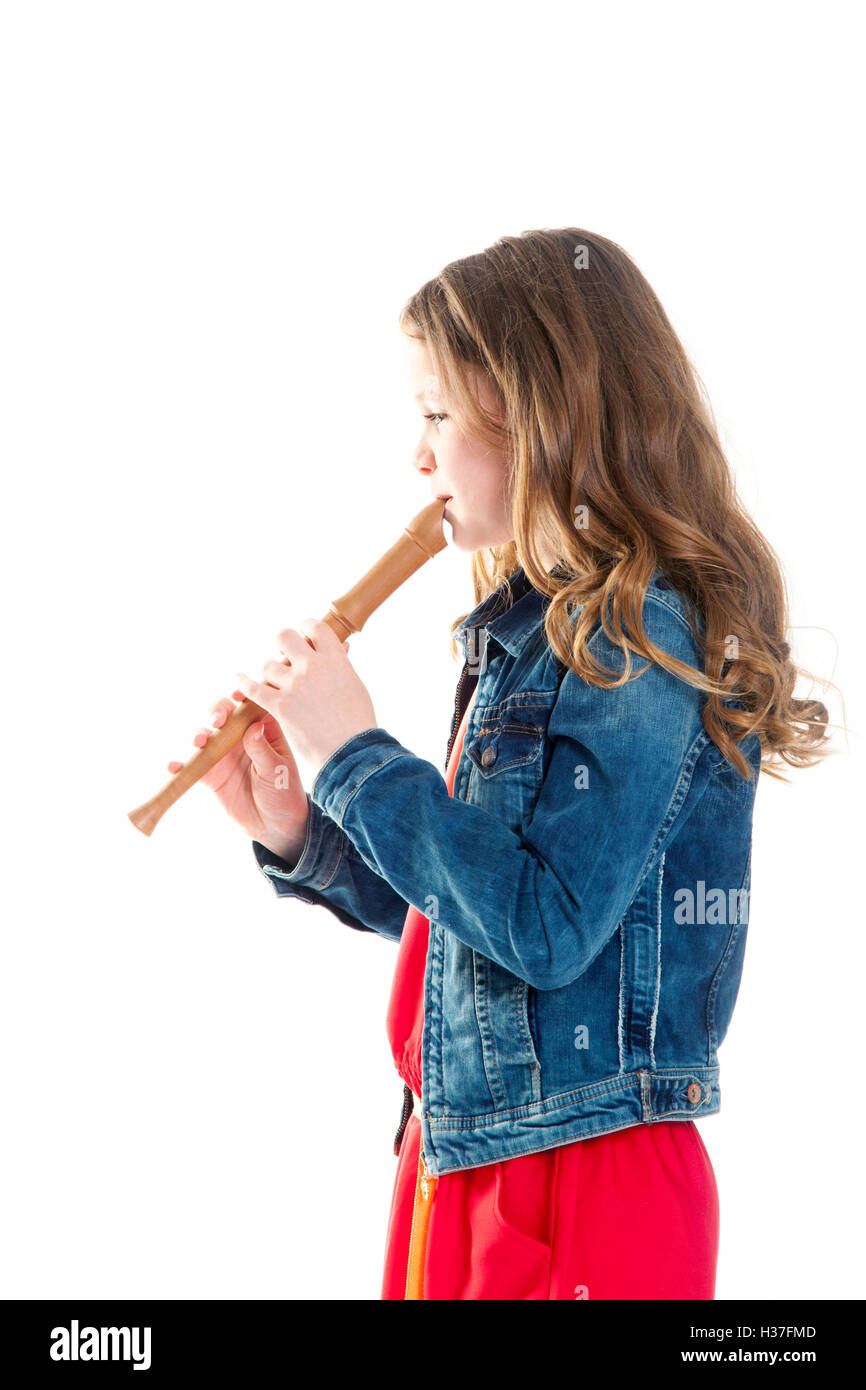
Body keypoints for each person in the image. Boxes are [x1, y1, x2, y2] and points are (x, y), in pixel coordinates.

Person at [169, 228, 832, 1300]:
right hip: (460, 1157)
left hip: (577, 1175)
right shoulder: (527, 633)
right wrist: (304, 824)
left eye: (437, 414)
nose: (416, 457)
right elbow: (480, 931)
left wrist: (354, 751)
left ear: (545, 419)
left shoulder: (637, 635)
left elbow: (546, 925)